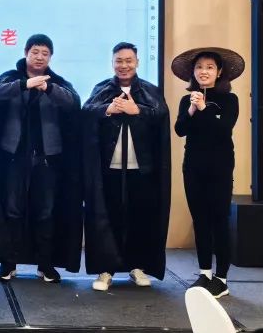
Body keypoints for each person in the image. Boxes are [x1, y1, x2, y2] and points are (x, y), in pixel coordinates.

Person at [0, 34, 82, 283]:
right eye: (35, 52)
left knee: (46, 213)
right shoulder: (11, 78)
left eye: (45, 53)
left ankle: (45, 264)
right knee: (13, 211)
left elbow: (73, 102)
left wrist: (48, 88)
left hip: (47, 160)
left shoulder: (57, 82)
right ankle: (8, 263)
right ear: (26, 53)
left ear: (50, 57)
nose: (39, 57)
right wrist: (25, 85)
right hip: (14, 158)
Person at [82, 42, 171, 292]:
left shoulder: (150, 90)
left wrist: (137, 110)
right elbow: (87, 112)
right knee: (107, 217)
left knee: (140, 217)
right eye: (119, 61)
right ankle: (106, 269)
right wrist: (107, 109)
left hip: (142, 168)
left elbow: (161, 116)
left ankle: (137, 267)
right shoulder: (102, 89)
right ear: (112, 63)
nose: (124, 65)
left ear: (137, 62)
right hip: (109, 167)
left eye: (128, 60)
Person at [173, 47, 243, 299]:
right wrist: (192, 109)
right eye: (199, 67)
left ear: (219, 72)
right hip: (193, 166)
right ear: (193, 72)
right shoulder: (187, 100)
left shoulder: (229, 100)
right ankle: (205, 273)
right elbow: (180, 130)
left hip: (220, 167)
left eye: (210, 67)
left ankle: (221, 278)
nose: (204, 71)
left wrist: (204, 108)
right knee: (200, 220)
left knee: (219, 220)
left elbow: (223, 129)